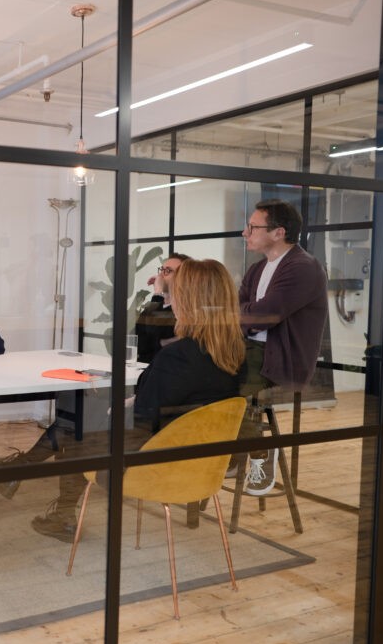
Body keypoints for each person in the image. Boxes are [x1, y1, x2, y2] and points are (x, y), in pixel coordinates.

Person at [31, 259, 247, 542]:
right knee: (82, 412)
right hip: (202, 466)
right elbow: (179, 407)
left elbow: (141, 425)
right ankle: (34, 481)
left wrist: (111, 413)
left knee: (76, 418)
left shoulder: (178, 357)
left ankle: (60, 512)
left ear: (190, 300)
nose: (171, 298)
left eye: (175, 292)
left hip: (155, 465)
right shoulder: (236, 356)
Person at [238, 199, 328, 495]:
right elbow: (241, 310)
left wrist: (250, 313)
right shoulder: (257, 269)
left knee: (221, 379)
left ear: (278, 232)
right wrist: (249, 313)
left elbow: (263, 315)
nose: (245, 232)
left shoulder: (304, 268)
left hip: (280, 360)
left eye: (252, 227)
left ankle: (260, 452)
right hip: (251, 349)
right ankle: (234, 448)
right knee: (201, 366)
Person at [136, 252, 189, 364]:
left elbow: (154, 330)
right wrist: (161, 342)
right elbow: (138, 343)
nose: (160, 276)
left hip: (167, 372)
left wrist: (157, 293)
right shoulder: (154, 306)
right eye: (161, 270)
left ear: (183, 277)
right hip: (144, 371)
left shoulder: (185, 310)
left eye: (168, 271)